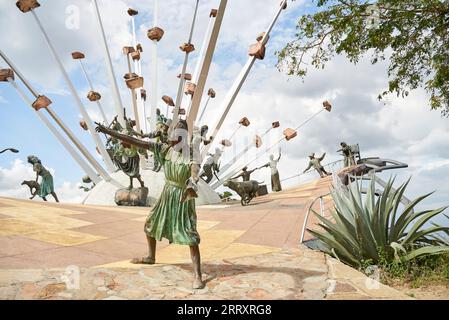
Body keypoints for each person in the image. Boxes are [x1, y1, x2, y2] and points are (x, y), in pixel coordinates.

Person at [96, 120, 204, 289]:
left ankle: (197, 275)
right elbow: (135, 141)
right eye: (174, 135)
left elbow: (195, 168)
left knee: (191, 235)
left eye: (180, 136)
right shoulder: (165, 150)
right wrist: (108, 131)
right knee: (150, 223)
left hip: (183, 196)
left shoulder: (190, 153)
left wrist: (193, 181)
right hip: (167, 195)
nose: (175, 139)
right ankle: (150, 257)